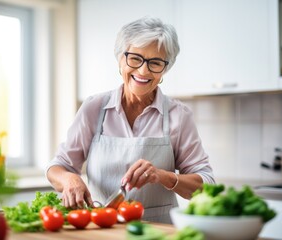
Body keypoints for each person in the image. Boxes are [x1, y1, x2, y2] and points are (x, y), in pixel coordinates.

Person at [46, 16, 215, 223]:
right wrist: (70, 178)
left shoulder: (178, 115)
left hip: (157, 233)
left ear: (165, 69)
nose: (143, 71)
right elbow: (58, 167)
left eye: (155, 62)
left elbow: (206, 186)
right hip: (101, 229)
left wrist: (163, 176)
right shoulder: (94, 108)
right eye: (135, 58)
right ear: (120, 59)